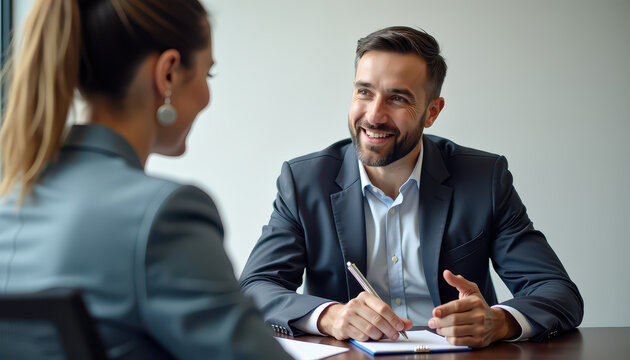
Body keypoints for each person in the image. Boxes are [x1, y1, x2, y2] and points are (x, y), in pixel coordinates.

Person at [239, 26, 583, 348]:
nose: (374, 115)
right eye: (364, 92)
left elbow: (557, 292)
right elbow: (255, 288)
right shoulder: (304, 181)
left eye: (398, 98)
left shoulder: (484, 178)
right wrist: (330, 316)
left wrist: (499, 322)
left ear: (432, 112)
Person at [0, 0, 290, 359]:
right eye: (207, 74)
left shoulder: (11, 197)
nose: (207, 95)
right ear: (168, 73)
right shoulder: (164, 217)